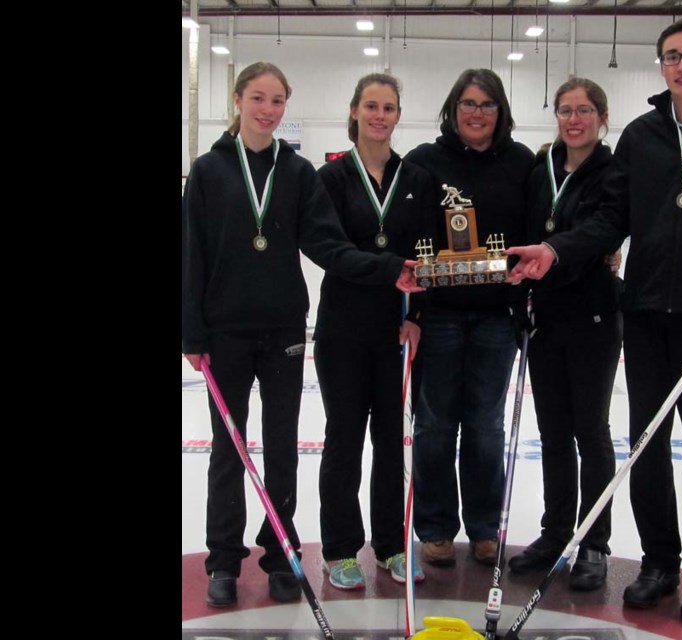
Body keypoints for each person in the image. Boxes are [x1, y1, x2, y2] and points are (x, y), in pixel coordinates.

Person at [506, 17, 682, 622]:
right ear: (661, 67)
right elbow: (610, 219)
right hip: (647, 310)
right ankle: (659, 560)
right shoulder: (644, 136)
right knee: (646, 443)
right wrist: (555, 251)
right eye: (672, 56)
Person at [182, 62, 421, 608]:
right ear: (238, 99)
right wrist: (192, 332)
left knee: (284, 447)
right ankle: (223, 557)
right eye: (258, 98)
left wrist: (388, 270)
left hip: (285, 326)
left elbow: (328, 245)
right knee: (230, 448)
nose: (268, 109)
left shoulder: (297, 173)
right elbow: (191, 255)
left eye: (278, 100)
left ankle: (281, 552)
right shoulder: (209, 170)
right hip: (224, 333)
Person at [404, 69, 534, 567]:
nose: (476, 113)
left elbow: (540, 227)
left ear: (500, 112)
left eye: (486, 104)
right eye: (467, 103)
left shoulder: (521, 162)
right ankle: (435, 528)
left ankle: (484, 527)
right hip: (437, 315)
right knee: (434, 425)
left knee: (484, 426)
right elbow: (406, 232)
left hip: (495, 318)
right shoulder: (424, 162)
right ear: (452, 108)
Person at [314, 73, 433, 590]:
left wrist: (417, 318)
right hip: (342, 329)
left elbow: (428, 255)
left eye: (388, 107)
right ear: (355, 111)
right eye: (371, 105)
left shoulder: (416, 177)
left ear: (398, 115)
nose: (379, 115)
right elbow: (328, 250)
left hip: (394, 329)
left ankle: (389, 545)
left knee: (391, 442)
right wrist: (387, 268)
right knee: (344, 440)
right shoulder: (332, 178)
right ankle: (339, 548)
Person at [505, 78, 622, 592]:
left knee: (589, 431)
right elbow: (522, 229)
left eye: (584, 110)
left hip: (593, 315)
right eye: (565, 110)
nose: (574, 120)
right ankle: (557, 532)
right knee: (552, 431)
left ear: (601, 116)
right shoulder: (541, 169)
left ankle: (594, 541)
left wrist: (556, 254)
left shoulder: (613, 172)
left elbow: (604, 230)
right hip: (545, 317)